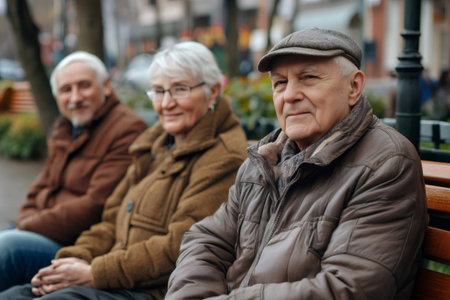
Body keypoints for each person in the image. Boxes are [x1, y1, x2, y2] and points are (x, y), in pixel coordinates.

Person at [166, 28, 428, 300]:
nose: (289, 95)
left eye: (309, 78)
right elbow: (206, 241)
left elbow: (350, 288)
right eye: (280, 83)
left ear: (354, 87)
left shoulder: (387, 163)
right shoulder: (266, 158)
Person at [0, 41, 248, 299]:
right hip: (113, 276)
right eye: (159, 92)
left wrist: (96, 272)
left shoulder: (223, 157)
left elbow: (181, 245)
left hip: (153, 290)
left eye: (180, 89)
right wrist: (71, 261)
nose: (167, 103)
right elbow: (109, 220)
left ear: (213, 91)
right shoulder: (156, 143)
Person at [0, 51, 147, 291]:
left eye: (84, 86)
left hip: (80, 245)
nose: (75, 97)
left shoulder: (127, 130)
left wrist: (25, 226)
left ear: (106, 86)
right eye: (66, 89)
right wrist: (25, 222)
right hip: (42, 231)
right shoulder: (65, 127)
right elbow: (40, 187)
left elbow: (96, 205)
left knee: (7, 248)